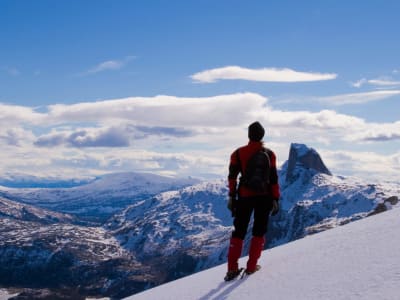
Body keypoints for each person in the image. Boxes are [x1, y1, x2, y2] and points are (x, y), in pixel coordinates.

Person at [225, 121, 280, 281]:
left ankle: (232, 269)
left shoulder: (237, 153)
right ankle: (251, 267)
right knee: (259, 231)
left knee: (239, 232)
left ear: (249, 135)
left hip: (244, 196)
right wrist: (275, 198)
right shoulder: (270, 154)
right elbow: (274, 179)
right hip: (264, 197)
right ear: (262, 135)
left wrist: (231, 196)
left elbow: (232, 177)